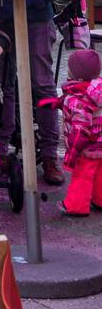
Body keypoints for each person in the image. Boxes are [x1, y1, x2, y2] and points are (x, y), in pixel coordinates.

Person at [0, 0, 71, 185]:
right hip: (1, 14)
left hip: (35, 15)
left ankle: (49, 155)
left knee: (41, 84)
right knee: (1, 85)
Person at [58, 49, 102, 216]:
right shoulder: (96, 91)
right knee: (99, 172)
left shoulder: (79, 98)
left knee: (82, 175)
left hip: (87, 146)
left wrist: (73, 152)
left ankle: (76, 206)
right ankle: (99, 200)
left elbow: (80, 127)